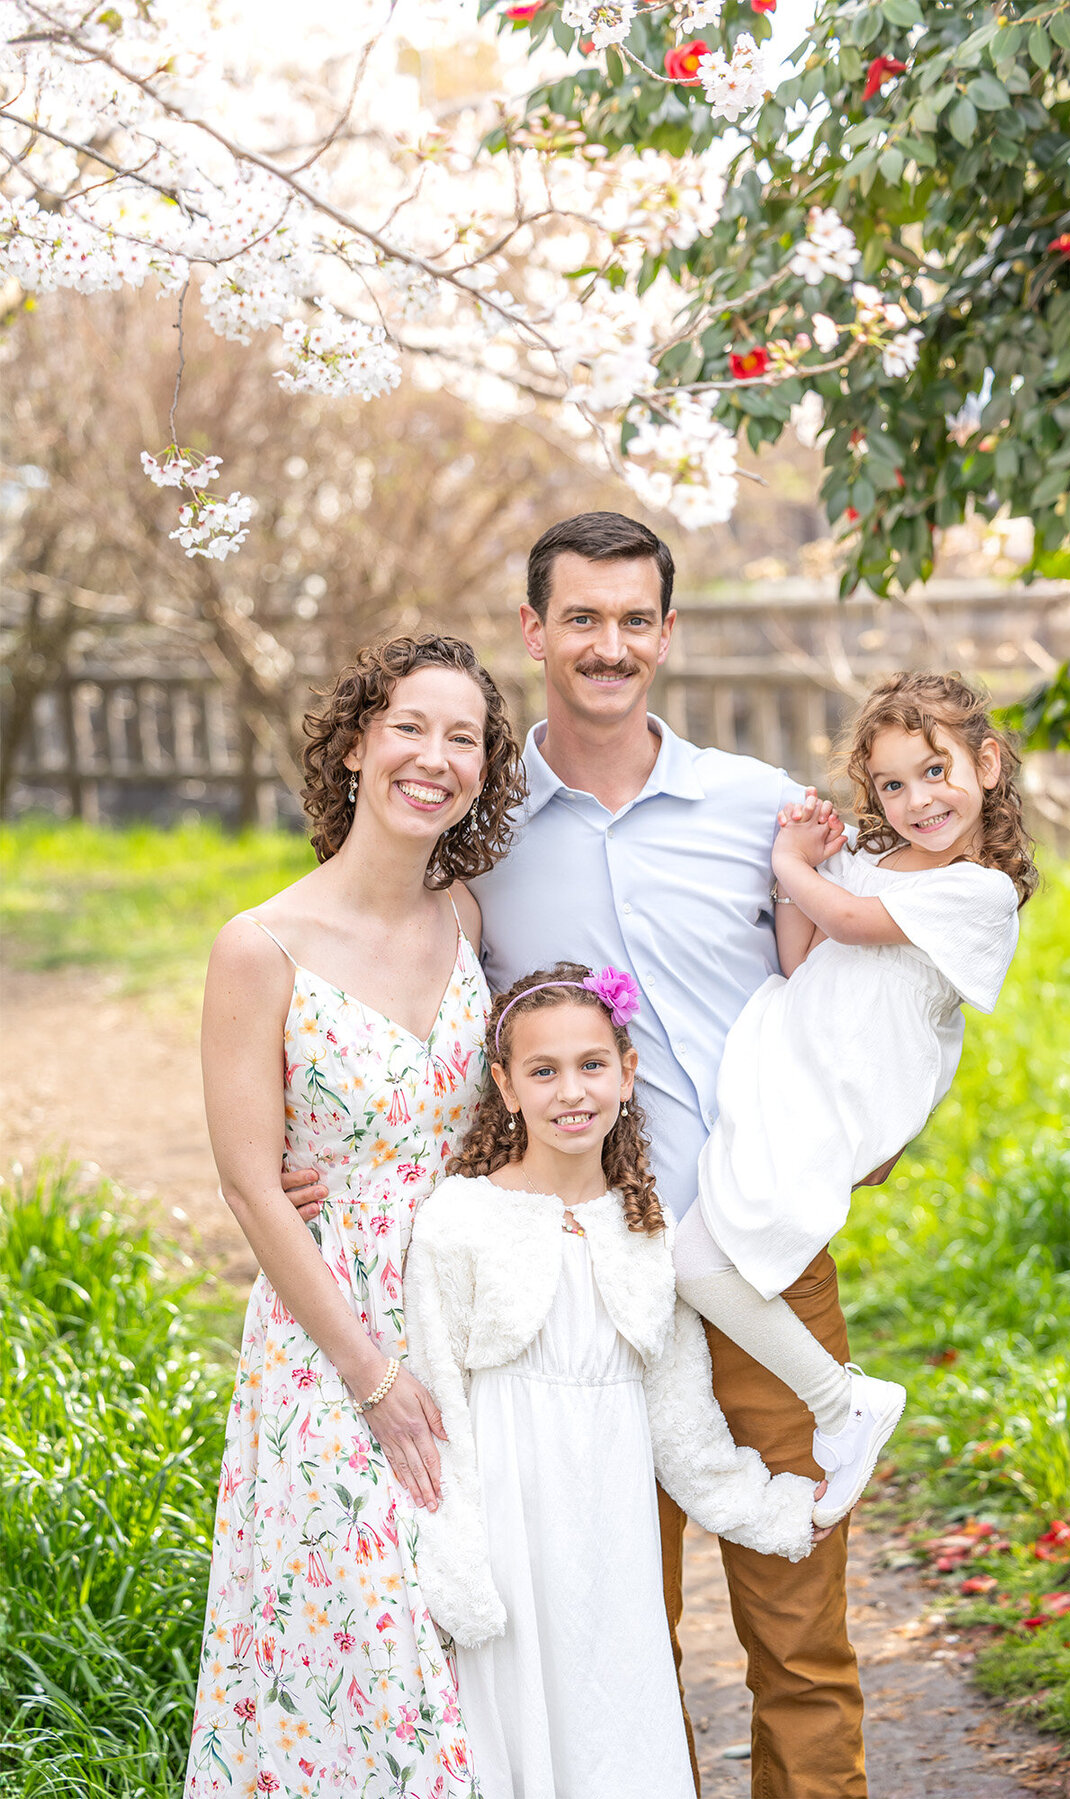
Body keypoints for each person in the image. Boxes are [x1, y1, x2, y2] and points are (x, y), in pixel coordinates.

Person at [282, 512, 885, 1796]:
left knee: (802, 1630)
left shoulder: (756, 809)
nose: (607, 645)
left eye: (633, 619)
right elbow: (412, 1007)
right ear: (534, 630)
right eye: (581, 618)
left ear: (666, 632)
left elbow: (853, 996)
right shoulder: (476, 840)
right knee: (612, 1627)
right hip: (578, 1283)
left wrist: (871, 1133)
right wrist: (328, 1150)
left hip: (760, 1252)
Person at [184, 634, 525, 1799]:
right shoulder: (260, 946)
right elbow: (247, 1184)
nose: (435, 757)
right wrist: (369, 1375)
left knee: (472, 1653)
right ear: (356, 748)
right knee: (362, 1652)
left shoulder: (467, 920)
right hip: (334, 1344)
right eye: (411, 728)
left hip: (467, 1318)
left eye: (464, 737)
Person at [402, 965, 828, 1799]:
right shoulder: (460, 1219)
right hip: (510, 1527)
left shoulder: (644, 1230)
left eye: (593, 1065)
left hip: (611, 1531)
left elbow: (683, 1422)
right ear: (505, 1085)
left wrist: (771, 1509)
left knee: (614, 1722)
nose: (572, 1091)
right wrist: (455, 1559)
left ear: (628, 1074)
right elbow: (436, 1396)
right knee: (518, 1730)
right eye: (544, 1070)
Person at [674, 672, 1038, 1529]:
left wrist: (793, 861)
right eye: (892, 784)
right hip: (789, 1069)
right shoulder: (869, 865)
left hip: (845, 1094)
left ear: (986, 763)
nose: (918, 799)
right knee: (700, 1256)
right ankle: (832, 1410)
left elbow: (846, 922)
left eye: (935, 770)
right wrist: (798, 869)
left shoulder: (979, 893)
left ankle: (844, 1405)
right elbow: (802, 951)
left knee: (701, 1260)